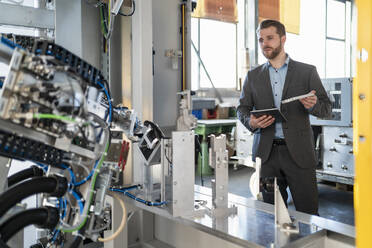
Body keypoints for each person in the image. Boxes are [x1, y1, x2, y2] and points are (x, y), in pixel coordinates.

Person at [237, 19, 331, 215]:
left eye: (270, 38)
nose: (265, 44)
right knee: (270, 214)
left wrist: (313, 105)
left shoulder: (307, 72)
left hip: (299, 155)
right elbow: (242, 109)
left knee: (308, 213)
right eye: (261, 40)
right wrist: (250, 121)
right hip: (267, 156)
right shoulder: (253, 76)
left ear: (283, 39)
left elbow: (327, 109)